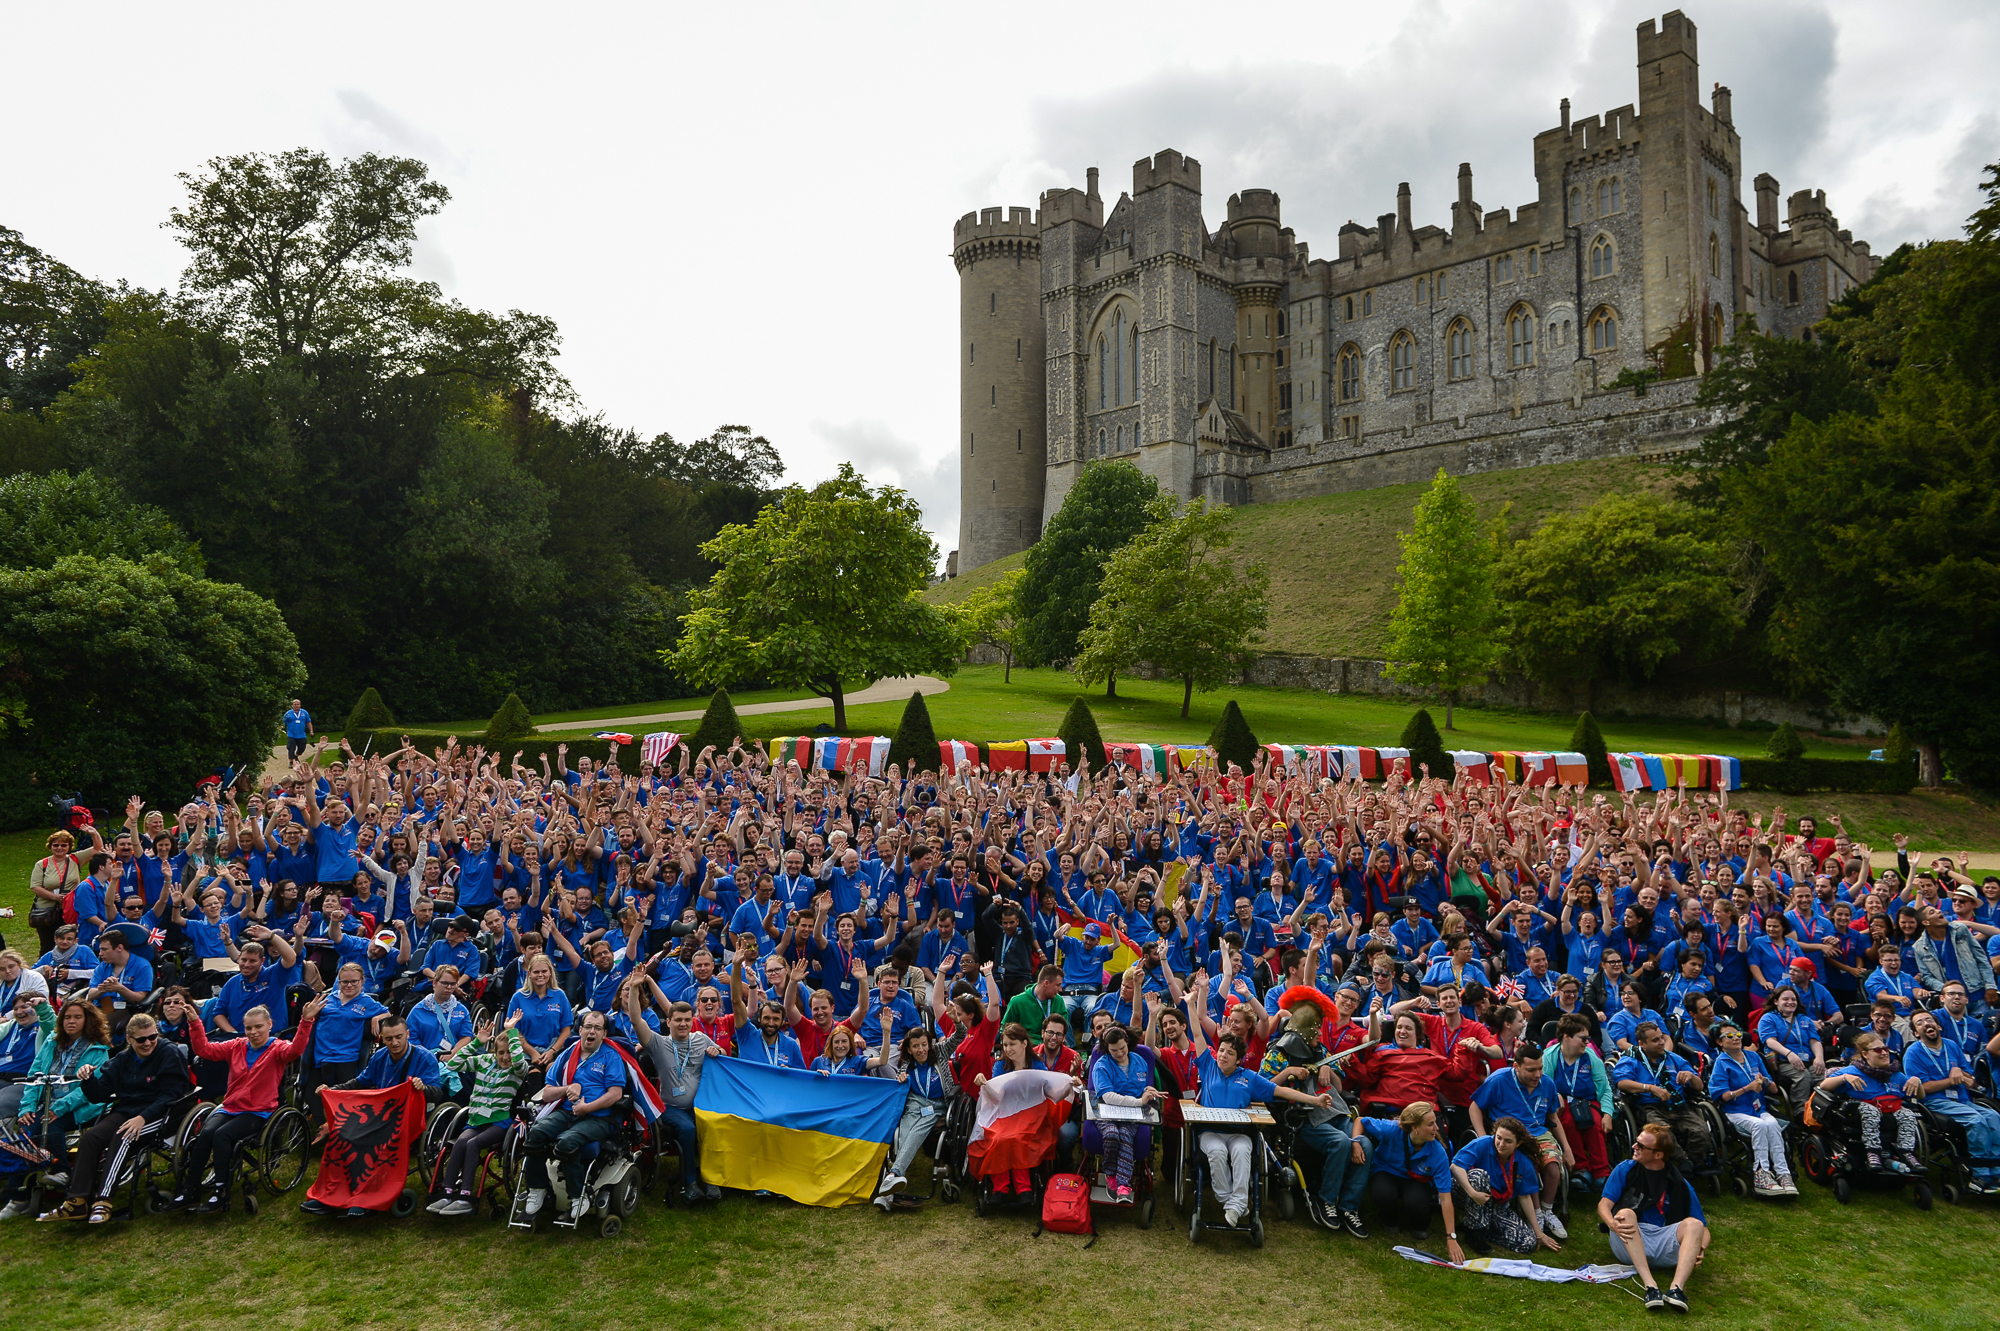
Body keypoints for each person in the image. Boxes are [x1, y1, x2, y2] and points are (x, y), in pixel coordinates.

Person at [164, 993, 321, 1212]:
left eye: (258, 1027)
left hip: (259, 1111)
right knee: (205, 1135)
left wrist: (306, 1021)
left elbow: (296, 1050)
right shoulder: (237, 1045)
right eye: (248, 1028)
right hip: (231, 1107)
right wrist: (194, 1023)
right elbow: (204, 1050)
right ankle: (190, 1189)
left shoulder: (278, 1049)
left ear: (269, 1025)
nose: (253, 1032)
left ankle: (221, 1191)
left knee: (222, 1136)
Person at [1185, 1000, 1334, 1231]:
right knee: (1216, 1151)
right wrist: (1190, 1004)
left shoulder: (1249, 1077)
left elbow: (1280, 1090)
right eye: (1222, 1050)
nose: (1223, 1055)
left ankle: (1237, 1203)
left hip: (1239, 1133)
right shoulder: (1208, 1066)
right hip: (1210, 1131)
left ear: (1239, 1059)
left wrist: (1315, 1100)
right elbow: (1196, 1032)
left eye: (1229, 1053)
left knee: (1243, 1152)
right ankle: (1231, 1201)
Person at [38, 1012, 191, 1224]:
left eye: (153, 1037)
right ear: (129, 1039)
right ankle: (77, 1201)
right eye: (141, 1039)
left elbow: (170, 1095)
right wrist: (88, 1079)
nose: (148, 1043)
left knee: (123, 1135)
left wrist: (143, 1118)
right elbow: (99, 1095)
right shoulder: (122, 1059)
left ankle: (104, 1200)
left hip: (161, 1113)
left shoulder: (168, 1053)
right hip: (126, 1110)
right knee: (91, 1138)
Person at [0, 997, 109, 1219]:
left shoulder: (98, 1049)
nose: (71, 1021)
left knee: (49, 1124)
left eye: (78, 1017)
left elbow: (87, 1089)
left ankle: (61, 1172)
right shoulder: (51, 1041)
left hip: (81, 1105)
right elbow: (34, 1076)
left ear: (87, 1020)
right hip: (47, 1102)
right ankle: (17, 1195)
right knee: (26, 1136)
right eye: (67, 1017)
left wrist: (59, 1107)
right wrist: (27, 1107)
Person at [624, 978, 723, 1205]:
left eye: (687, 1020)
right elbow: (636, 1019)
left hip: (699, 1106)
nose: (683, 1024)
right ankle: (689, 1183)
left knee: (714, 1126)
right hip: (670, 1107)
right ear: (668, 1022)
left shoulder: (701, 1039)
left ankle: (711, 1180)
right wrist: (636, 988)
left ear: (693, 1021)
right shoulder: (658, 1043)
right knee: (687, 1130)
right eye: (677, 1020)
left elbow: (721, 1055)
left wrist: (716, 1050)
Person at [521, 1010, 626, 1220]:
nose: (592, 1031)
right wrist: (569, 1087)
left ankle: (580, 1195)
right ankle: (537, 1189)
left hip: (599, 1117)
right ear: (580, 1030)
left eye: (597, 1028)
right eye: (588, 1026)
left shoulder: (611, 1056)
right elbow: (548, 1092)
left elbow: (616, 1093)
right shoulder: (568, 1054)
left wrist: (588, 1108)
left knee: (566, 1142)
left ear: (604, 1034)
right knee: (536, 1133)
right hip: (566, 1112)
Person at [1598, 1121, 1710, 1313]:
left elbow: (1703, 1229)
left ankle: (1677, 1290)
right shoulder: (1626, 1169)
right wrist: (1611, 1224)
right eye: (1636, 1142)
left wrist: (1700, 1248)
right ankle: (1651, 1286)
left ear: (1658, 1155)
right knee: (1625, 1213)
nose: (1634, 1147)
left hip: (1664, 1243)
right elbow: (1604, 1205)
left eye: (1641, 1146)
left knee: (1694, 1224)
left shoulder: (1679, 1183)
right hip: (1630, 1239)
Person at [1468, 1044, 1573, 1239]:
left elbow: (1553, 1116)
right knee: (1528, 1164)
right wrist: (1483, 1137)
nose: (1537, 1074)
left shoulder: (1547, 1084)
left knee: (1553, 1167)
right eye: (1531, 1070)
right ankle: (1536, 1214)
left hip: (1539, 1133)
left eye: (1540, 1068)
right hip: (1512, 1134)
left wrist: (1567, 1148)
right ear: (1516, 1066)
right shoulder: (1499, 1080)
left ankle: (1547, 1210)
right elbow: (1474, 1107)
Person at [429, 1014, 530, 1215]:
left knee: (473, 1144)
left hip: (499, 1123)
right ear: (495, 1051)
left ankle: (466, 1195)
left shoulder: (516, 1070)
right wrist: (476, 1043)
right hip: (475, 1120)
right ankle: (448, 1191)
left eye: (509, 1052)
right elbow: (453, 1065)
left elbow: (519, 1063)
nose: (505, 1057)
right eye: (501, 1052)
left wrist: (511, 1032)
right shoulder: (486, 1060)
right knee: (459, 1142)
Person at [1904, 1008, 2000, 1195]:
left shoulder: (1952, 1046)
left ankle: (1996, 1169)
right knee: (1976, 1120)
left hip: (1963, 1100)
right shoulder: (1913, 1053)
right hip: (1935, 1102)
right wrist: (1951, 1079)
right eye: (1920, 1023)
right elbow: (1924, 1088)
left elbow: (1970, 1080)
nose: (1926, 1024)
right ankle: (1980, 1175)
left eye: (1929, 1020)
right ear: (1916, 1033)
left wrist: (1962, 1074)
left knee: (1994, 1117)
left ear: (1938, 1025)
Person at [1360, 1102, 1459, 1258]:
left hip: (1416, 1180)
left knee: (1416, 1203)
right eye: (1431, 1124)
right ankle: (1390, 1220)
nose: (1437, 1128)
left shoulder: (1438, 1152)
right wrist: (1355, 1143)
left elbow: (1446, 1198)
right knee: (1383, 1193)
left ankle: (1419, 1224)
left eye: (1435, 1122)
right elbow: (1360, 1121)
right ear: (1415, 1128)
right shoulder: (1392, 1129)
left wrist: (1451, 1237)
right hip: (1387, 1170)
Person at [1706, 1020, 1794, 1196]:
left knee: (1772, 1124)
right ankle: (1761, 1175)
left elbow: (1774, 1089)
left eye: (1738, 1034)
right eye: (1729, 1036)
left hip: (1758, 1109)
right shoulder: (1721, 1063)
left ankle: (1784, 1174)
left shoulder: (1754, 1057)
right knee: (1760, 1126)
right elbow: (1722, 1096)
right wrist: (1747, 1088)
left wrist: (1766, 1081)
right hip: (1734, 1111)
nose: (1736, 1038)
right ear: (1719, 1042)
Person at [1451, 1117, 1562, 1255]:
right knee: (1479, 1176)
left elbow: (1525, 1197)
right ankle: (1473, 1234)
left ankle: (1480, 1227)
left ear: (1518, 1143)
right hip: (1467, 1194)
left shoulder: (1523, 1161)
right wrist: (1473, 1193)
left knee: (1528, 1243)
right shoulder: (1483, 1143)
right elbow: (1455, 1167)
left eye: (1508, 1141)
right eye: (1499, 1137)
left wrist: (1538, 1234)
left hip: (1495, 1204)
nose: (1501, 1144)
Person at [1612, 1022, 1713, 1173]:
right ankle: (1683, 1161)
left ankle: (1691, 1162)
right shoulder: (1630, 1060)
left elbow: (1699, 1087)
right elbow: (1622, 1083)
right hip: (1649, 1107)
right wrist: (1650, 1088)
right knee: (1663, 1134)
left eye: (1661, 1038)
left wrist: (1691, 1076)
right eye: (1655, 1040)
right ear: (1642, 1043)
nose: (1661, 1043)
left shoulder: (1674, 1059)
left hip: (1678, 1106)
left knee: (1702, 1132)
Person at [1820, 1031, 1924, 1174]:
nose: (1884, 1053)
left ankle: (1906, 1153)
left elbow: (1920, 1095)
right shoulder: (1854, 1070)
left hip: (1891, 1109)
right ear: (1865, 1054)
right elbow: (1824, 1085)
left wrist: (1917, 1081)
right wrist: (1845, 1077)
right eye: (1877, 1050)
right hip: (1861, 1111)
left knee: (1908, 1114)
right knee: (1871, 1111)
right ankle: (1873, 1152)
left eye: (1885, 1049)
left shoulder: (1895, 1074)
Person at [875, 1025, 951, 1210]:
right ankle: (890, 1189)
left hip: (936, 1104)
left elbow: (959, 1037)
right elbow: (900, 1086)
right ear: (909, 1049)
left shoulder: (939, 1055)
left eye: (924, 1044)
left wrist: (956, 1022)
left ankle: (892, 1175)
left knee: (917, 1132)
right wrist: (900, 1079)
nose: (921, 1049)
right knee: (903, 1134)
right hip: (914, 1104)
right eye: (916, 1046)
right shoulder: (906, 1065)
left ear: (929, 1044)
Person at [1087, 1023, 1162, 1204]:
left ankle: (1123, 1185)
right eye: (1114, 1051)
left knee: (1126, 1135)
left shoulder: (1139, 1061)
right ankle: (1110, 1173)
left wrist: (1149, 1089)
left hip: (1132, 1114)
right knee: (1112, 1134)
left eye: (1122, 1048)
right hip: (1106, 1111)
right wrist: (1138, 1101)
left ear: (1127, 1042)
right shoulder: (1101, 1065)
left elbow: (1142, 1085)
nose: (1120, 1053)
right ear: (1107, 1049)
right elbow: (1108, 1096)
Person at [1542, 1013, 1613, 1188]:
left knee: (1596, 1125)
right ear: (1567, 1037)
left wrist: (1608, 1114)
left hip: (1589, 1101)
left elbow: (1605, 1088)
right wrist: (1554, 1095)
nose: (1587, 1042)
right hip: (1562, 1103)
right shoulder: (1550, 1056)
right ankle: (1582, 1169)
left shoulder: (1590, 1057)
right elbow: (1544, 1085)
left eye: (1588, 1038)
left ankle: (1602, 1171)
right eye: (1582, 1038)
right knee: (1567, 1122)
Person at [1756, 984, 1826, 1109]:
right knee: (1802, 1076)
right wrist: (1789, 1054)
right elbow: (1770, 1041)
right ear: (1776, 1001)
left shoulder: (1804, 1019)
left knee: (1821, 1076)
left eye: (1793, 999)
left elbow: (1815, 1041)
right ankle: (1800, 1111)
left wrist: (1819, 1058)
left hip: (1808, 1060)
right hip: (1784, 1061)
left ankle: (1821, 1109)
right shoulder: (1768, 1018)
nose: (1790, 1002)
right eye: (1785, 999)